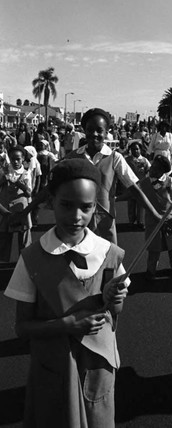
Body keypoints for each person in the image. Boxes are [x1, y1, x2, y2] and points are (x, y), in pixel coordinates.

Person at [4, 158, 128, 427]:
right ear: (51, 202)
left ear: (96, 207)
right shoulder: (32, 259)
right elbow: (23, 327)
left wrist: (115, 301)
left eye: (86, 207)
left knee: (99, 417)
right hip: (54, 365)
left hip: (98, 365)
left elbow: (113, 316)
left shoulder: (109, 253)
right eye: (66, 205)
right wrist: (68, 324)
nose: (76, 216)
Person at [17, 108, 164, 245]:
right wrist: (26, 211)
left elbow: (134, 188)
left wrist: (156, 214)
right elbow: (50, 187)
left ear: (107, 132)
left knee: (108, 264)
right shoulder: (73, 157)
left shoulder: (115, 158)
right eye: (90, 130)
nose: (94, 134)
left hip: (105, 221)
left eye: (99, 130)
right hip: (78, 222)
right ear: (84, 131)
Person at [139, 155, 172, 280]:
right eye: (152, 165)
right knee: (154, 247)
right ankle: (151, 269)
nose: (151, 168)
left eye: (155, 167)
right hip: (152, 219)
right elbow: (134, 193)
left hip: (170, 218)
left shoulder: (170, 181)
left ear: (161, 171)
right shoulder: (144, 182)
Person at [0, 145, 32, 262]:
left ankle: (24, 265)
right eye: (13, 159)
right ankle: (3, 264)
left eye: (18, 159)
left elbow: (28, 192)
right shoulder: (5, 171)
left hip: (21, 209)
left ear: (23, 158)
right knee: (4, 238)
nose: (15, 161)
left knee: (24, 240)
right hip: (5, 210)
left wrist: (16, 182)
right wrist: (4, 178)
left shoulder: (26, 173)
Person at [125, 141, 151, 229]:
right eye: (133, 149)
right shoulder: (127, 160)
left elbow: (149, 170)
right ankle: (131, 221)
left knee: (141, 203)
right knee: (131, 203)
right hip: (131, 185)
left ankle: (141, 221)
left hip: (142, 185)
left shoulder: (144, 160)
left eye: (137, 149)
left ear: (140, 150)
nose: (135, 151)